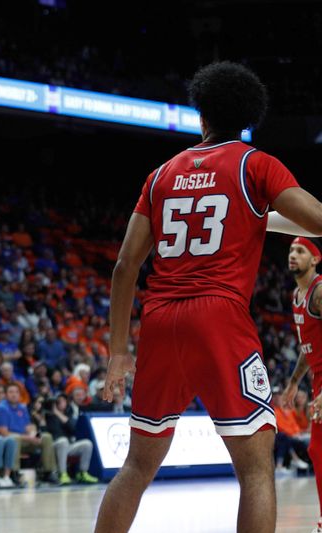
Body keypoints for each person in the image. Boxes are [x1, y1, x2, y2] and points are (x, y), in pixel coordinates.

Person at [96, 61, 322, 533]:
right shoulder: (255, 163)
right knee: (257, 470)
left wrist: (118, 352)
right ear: (250, 118)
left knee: (137, 468)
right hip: (219, 317)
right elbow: (317, 220)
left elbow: (124, 268)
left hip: (159, 318)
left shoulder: (160, 174)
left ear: (201, 115)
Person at [283, 236, 322, 531]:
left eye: (301, 251)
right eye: (291, 250)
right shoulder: (297, 296)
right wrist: (295, 381)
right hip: (316, 379)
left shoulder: (319, 292)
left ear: (315, 259)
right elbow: (308, 347)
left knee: (318, 450)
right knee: (317, 451)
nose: (293, 255)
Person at [0, 383, 55, 480]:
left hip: (26, 440)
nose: (14, 394)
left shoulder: (22, 407)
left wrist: (35, 435)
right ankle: (13, 473)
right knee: (15, 439)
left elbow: (29, 427)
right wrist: (29, 438)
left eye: (16, 392)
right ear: (6, 395)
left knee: (46, 437)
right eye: (11, 392)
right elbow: (4, 433)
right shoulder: (1, 408)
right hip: (9, 442)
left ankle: (48, 472)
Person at [45, 393, 98, 485]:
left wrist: (57, 413)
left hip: (67, 446)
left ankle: (82, 473)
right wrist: (53, 412)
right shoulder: (48, 414)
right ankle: (63, 473)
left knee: (87, 444)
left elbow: (73, 428)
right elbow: (51, 431)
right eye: (59, 401)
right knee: (63, 441)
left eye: (63, 401)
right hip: (52, 446)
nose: (61, 403)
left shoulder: (68, 413)